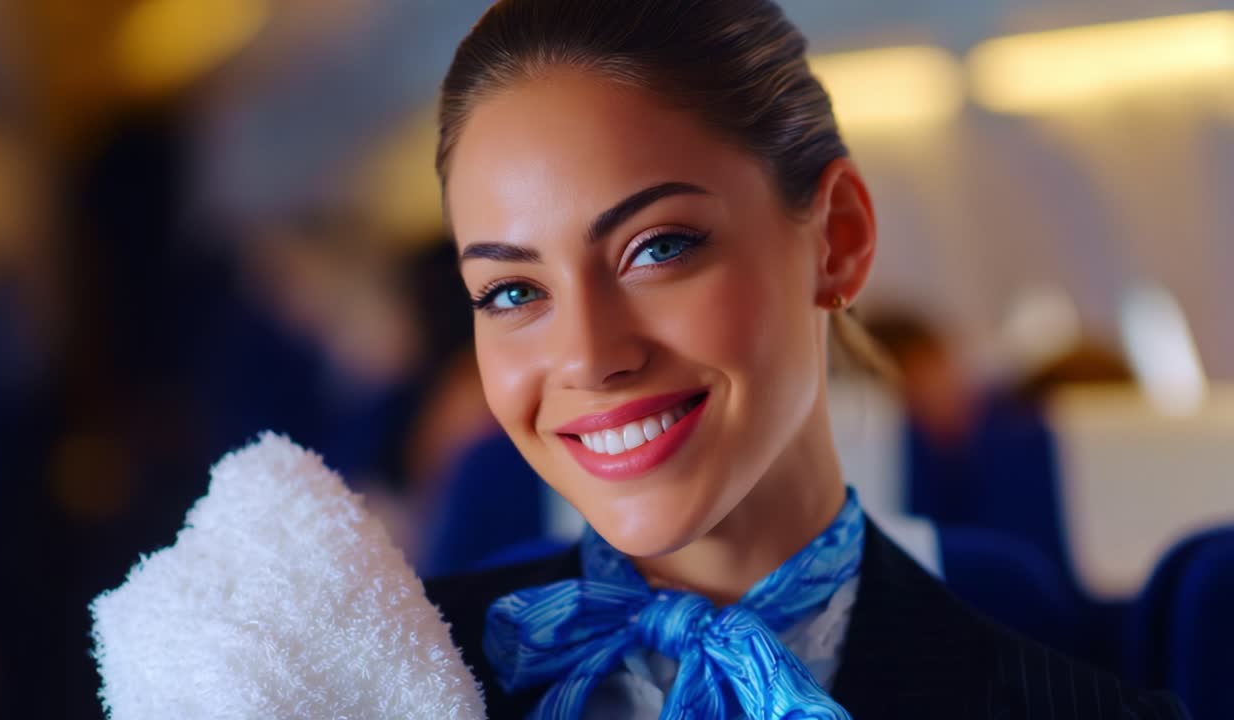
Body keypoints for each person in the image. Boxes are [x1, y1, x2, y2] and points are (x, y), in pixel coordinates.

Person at [423, 1, 1188, 718]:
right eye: (512, 292)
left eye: (658, 248)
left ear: (837, 240)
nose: (589, 357)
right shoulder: (384, 675)